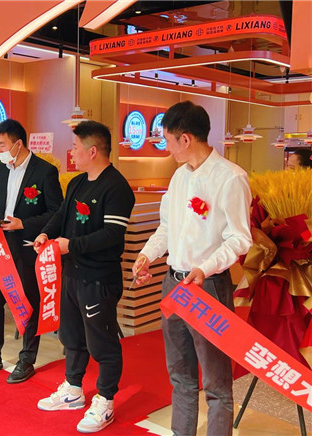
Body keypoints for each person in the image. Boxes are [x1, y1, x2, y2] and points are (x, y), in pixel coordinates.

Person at [133, 101, 252, 436]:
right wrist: (147, 255)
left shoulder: (230, 178)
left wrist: (205, 267)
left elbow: (240, 238)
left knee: (215, 380)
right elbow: (166, 227)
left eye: (167, 140)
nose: (166, 147)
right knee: (180, 374)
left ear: (185, 139)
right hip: (173, 285)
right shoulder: (179, 177)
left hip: (208, 287)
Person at [33, 121, 134, 433]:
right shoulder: (77, 182)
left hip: (99, 277)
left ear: (92, 151)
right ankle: (73, 389)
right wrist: (45, 233)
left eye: (75, 147)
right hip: (72, 273)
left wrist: (71, 245)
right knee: (72, 336)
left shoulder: (116, 187)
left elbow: (112, 234)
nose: (71, 152)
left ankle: (105, 401)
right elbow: (62, 215)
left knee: (102, 343)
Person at [0, 119, 63, 384]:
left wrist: (24, 223)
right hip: (2, 248)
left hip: (29, 246)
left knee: (29, 302)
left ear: (18, 144)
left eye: (2, 145)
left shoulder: (44, 172)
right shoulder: (2, 169)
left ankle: (27, 359)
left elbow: (57, 212)